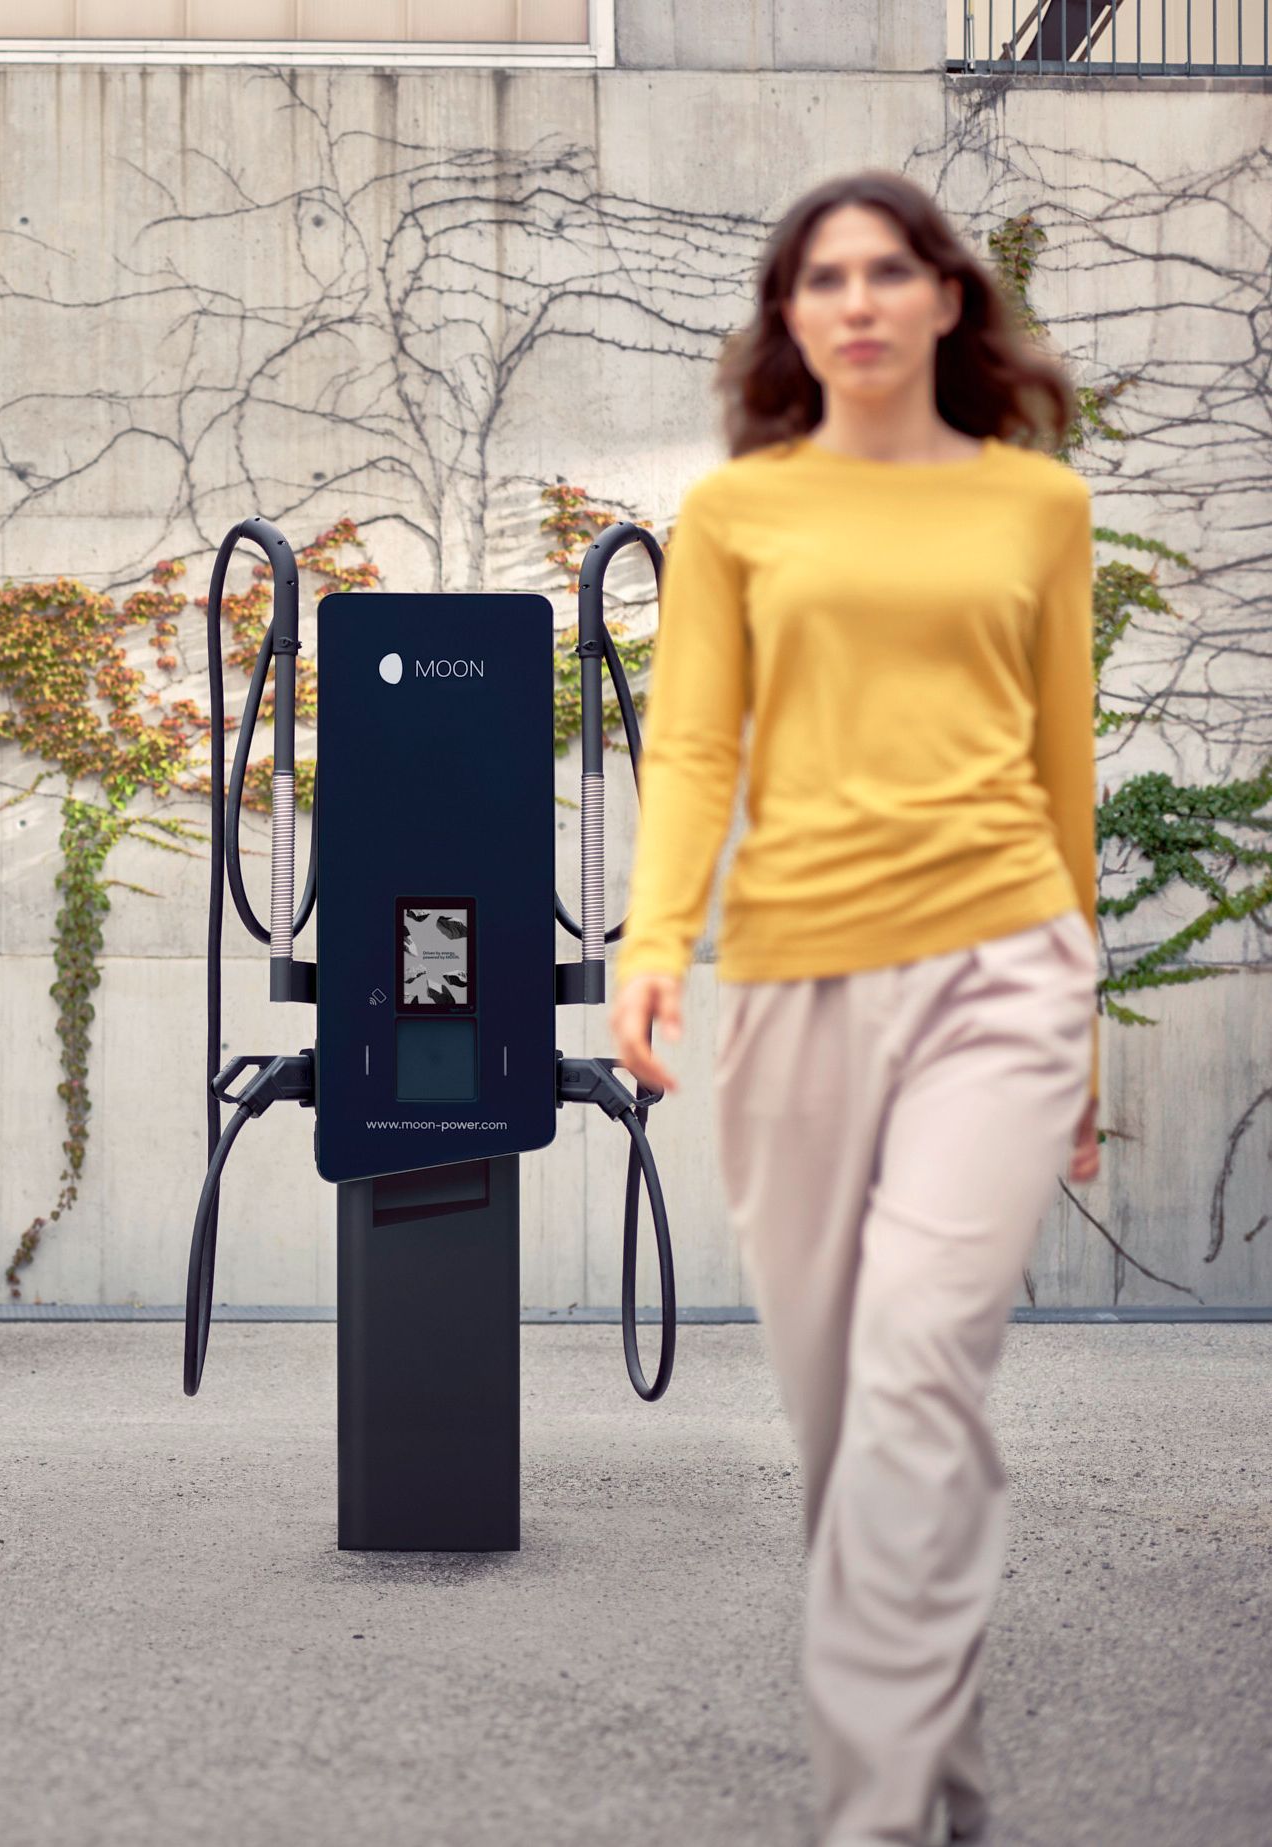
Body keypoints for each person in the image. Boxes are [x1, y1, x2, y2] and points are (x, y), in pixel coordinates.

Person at [609, 170, 1101, 1847]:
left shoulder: (1034, 507)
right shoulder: (738, 515)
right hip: (794, 976)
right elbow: (694, 745)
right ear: (790, 318)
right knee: (841, 1421)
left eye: (889, 270)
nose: (859, 301)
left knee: (912, 1371)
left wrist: (1082, 1035)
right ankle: (936, 1777)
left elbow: (1060, 764)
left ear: (946, 299)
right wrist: (653, 940)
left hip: (1002, 963)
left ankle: (873, 1818)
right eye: (822, 279)